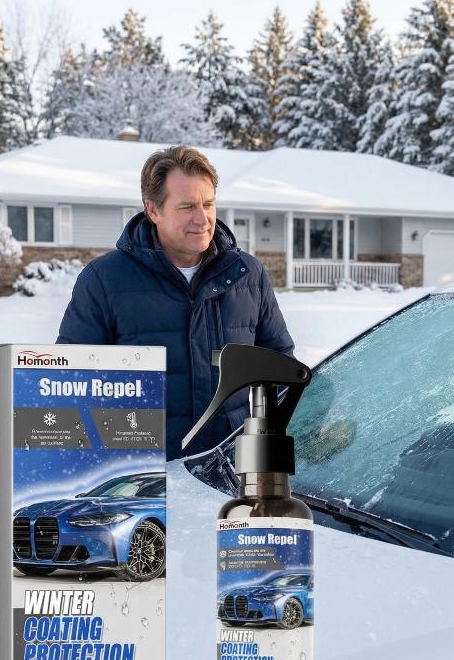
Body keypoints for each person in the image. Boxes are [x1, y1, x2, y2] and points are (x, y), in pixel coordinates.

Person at [56, 145, 295, 460]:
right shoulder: (104, 280)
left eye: (208, 204)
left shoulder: (247, 274)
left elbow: (281, 372)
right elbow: (71, 385)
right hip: (147, 474)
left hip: (233, 466)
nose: (203, 219)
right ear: (153, 210)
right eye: (187, 207)